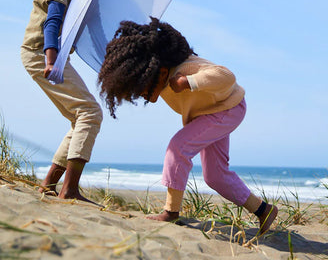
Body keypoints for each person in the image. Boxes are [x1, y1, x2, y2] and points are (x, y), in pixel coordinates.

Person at [98, 17, 278, 234]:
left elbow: (227, 77)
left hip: (228, 108)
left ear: (161, 71)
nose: (142, 94)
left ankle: (171, 213)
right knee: (215, 176)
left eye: (142, 86)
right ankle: (263, 210)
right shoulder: (162, 77)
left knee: (178, 148)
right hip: (211, 112)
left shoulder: (187, 68)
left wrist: (189, 82)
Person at [21, 0, 108, 202]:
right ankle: (69, 190)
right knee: (90, 113)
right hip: (40, 53)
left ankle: (48, 185)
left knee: (79, 116)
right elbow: (52, 21)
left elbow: (93, 30)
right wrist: (50, 60)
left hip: (53, 56)